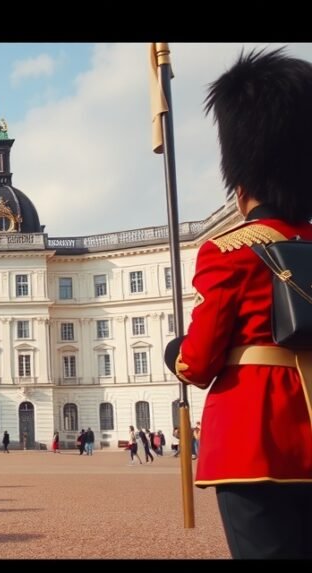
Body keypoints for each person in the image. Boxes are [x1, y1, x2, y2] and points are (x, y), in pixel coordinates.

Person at [163, 48, 312, 560]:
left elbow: (198, 361)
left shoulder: (228, 251)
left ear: (240, 184)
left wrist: (173, 354)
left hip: (256, 435)